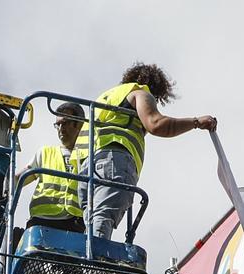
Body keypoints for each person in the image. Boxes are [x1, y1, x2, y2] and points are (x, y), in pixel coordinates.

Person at [77, 62, 217, 241]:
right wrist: (196, 122)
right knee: (101, 221)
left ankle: (90, 259)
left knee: (92, 223)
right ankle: (94, 266)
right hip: (113, 162)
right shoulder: (140, 93)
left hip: (86, 170)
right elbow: (156, 124)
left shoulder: (104, 99)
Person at [15, 101, 87, 235]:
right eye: (57, 124)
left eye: (64, 123)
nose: (60, 128)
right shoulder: (45, 152)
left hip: (74, 222)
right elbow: (19, 179)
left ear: (79, 124)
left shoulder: (88, 156)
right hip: (41, 220)